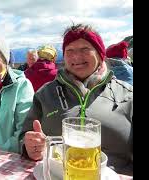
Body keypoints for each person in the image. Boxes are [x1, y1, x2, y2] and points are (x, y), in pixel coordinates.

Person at [20, 23, 133, 175]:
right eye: (70, 51)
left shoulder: (127, 95)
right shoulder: (45, 93)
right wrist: (29, 147)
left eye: (85, 49)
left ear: (100, 54)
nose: (76, 57)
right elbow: (25, 136)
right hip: (59, 175)